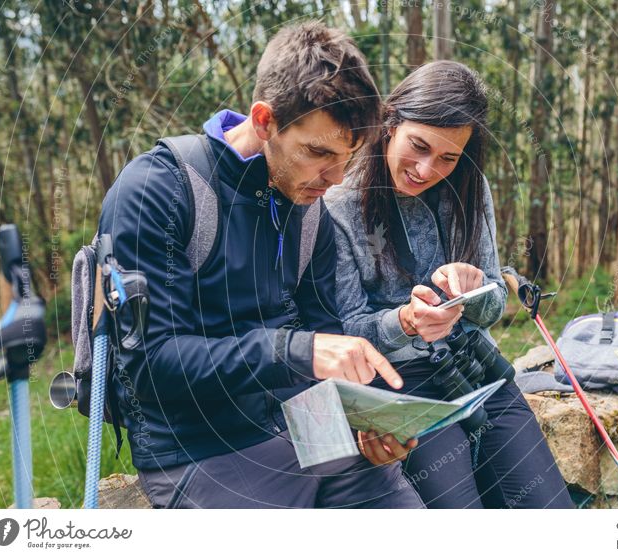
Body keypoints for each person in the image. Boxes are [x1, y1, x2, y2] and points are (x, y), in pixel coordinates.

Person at [98, 22, 424, 509]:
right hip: (199, 450)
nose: (334, 180)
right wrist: (291, 349)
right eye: (318, 153)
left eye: (346, 159)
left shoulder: (311, 211)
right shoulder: (159, 190)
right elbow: (148, 367)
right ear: (265, 120)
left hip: (310, 428)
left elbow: (323, 331)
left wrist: (366, 420)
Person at [324, 60, 575, 509]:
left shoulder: (470, 186)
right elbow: (341, 333)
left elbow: (495, 302)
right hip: (404, 389)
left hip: (479, 371)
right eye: (417, 146)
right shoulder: (338, 202)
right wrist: (405, 321)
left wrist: (473, 291)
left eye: (447, 158)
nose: (425, 169)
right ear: (390, 123)